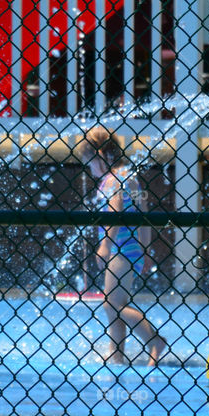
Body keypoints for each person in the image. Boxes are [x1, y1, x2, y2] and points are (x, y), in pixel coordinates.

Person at [78, 126, 165, 366]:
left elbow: (116, 209)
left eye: (90, 163)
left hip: (119, 249)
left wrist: (105, 245)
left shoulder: (111, 180)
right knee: (115, 306)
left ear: (102, 157)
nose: (90, 170)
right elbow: (143, 215)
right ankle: (116, 356)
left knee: (112, 304)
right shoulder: (130, 178)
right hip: (133, 250)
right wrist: (145, 251)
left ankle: (154, 340)